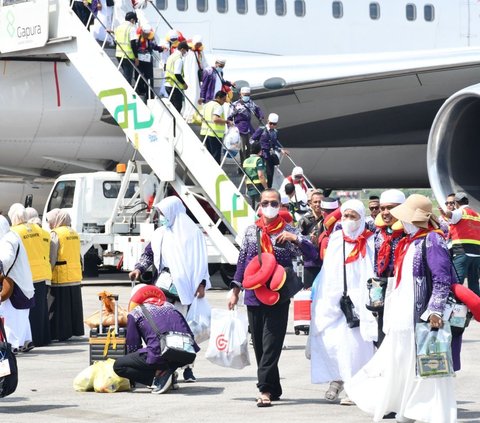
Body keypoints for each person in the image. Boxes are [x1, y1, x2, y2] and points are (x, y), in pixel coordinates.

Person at [345, 194, 457, 422]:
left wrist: (435, 310)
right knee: (402, 362)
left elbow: (442, 279)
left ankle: (428, 410)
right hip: (403, 316)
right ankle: (407, 407)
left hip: (422, 315)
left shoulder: (432, 241)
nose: (400, 221)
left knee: (427, 367)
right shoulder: (411, 242)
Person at [228, 188, 317, 407]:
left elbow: (312, 254)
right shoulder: (251, 231)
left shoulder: (288, 230)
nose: (270, 206)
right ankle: (274, 387)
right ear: (259, 205)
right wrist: (235, 289)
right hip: (254, 296)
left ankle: (265, 390)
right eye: (266, 202)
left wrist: (295, 239)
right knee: (259, 345)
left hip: (278, 296)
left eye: (274, 203)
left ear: (280, 205)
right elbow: (243, 262)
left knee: (271, 344)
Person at [129, 196, 211, 382]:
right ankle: (167, 367)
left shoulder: (192, 234)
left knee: (185, 330)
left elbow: (201, 262)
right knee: (164, 328)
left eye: (164, 213)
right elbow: (148, 254)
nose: (162, 217)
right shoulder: (160, 233)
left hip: (185, 290)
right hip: (162, 288)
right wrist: (138, 268)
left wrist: (202, 283)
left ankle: (188, 367)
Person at [310, 199, 377, 406]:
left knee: (358, 347)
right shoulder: (337, 239)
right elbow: (330, 271)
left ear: (361, 217)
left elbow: (372, 273)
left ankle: (354, 387)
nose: (348, 221)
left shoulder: (370, 240)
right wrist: (328, 300)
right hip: (337, 300)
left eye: (353, 216)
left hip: (361, 302)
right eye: (345, 216)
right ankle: (338, 380)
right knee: (336, 343)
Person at [113, 284, 199, 394]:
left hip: (160, 352)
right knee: (158, 355)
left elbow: (133, 345)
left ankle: (156, 379)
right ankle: (169, 371)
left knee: (119, 366)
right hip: (185, 353)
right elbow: (189, 334)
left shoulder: (135, 313)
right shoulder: (171, 307)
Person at [9, 204, 52, 347]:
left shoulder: (14, 232)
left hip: (26, 275)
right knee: (41, 308)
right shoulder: (40, 230)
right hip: (42, 272)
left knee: (27, 311)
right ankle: (44, 338)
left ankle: (30, 339)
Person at [372, 189, 405, 347]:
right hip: (382, 285)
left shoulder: (409, 232)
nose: (385, 212)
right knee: (381, 328)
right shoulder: (378, 233)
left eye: (390, 208)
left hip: (403, 286)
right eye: (382, 208)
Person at [47, 209, 84, 341]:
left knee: (59, 307)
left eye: (49, 221)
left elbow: (52, 256)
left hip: (61, 275)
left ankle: (58, 333)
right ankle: (74, 330)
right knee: (72, 306)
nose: (49, 224)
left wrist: (48, 272)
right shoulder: (74, 233)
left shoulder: (56, 234)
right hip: (74, 274)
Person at [0, 215, 35, 354]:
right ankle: (26, 340)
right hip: (23, 280)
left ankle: (12, 345)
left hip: (14, 282)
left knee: (10, 315)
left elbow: (6, 258)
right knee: (21, 314)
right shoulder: (13, 235)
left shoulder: (7, 240)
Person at [439, 191, 480, 296]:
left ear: (456, 203)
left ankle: (456, 309)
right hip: (476, 255)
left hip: (462, 252)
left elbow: (451, 214)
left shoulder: (461, 212)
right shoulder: (477, 215)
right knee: (474, 284)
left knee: (456, 283)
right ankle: (476, 309)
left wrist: (444, 213)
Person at [228, 86, 265, 165]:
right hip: (240, 128)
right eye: (245, 95)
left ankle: (249, 163)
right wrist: (231, 128)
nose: (246, 96)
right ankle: (243, 165)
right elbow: (229, 117)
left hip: (249, 127)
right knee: (242, 149)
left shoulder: (250, 103)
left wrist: (261, 116)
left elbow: (257, 109)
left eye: (248, 95)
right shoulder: (236, 104)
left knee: (250, 147)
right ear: (241, 94)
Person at [251, 113, 286, 188]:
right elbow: (252, 140)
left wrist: (280, 150)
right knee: (261, 173)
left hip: (269, 155)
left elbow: (275, 144)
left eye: (274, 124)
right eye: (271, 123)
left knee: (270, 175)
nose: (272, 125)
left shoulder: (275, 132)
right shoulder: (261, 129)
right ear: (267, 121)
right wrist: (256, 150)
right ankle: (262, 189)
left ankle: (268, 188)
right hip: (261, 155)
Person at [297, 191, 324, 288]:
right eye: (315, 202)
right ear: (310, 203)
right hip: (310, 263)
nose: (318, 204)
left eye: (320, 202)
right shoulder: (304, 220)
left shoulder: (329, 219)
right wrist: (309, 239)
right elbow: (297, 238)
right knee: (309, 292)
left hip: (325, 262)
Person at [200, 90, 233, 164]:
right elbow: (215, 119)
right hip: (214, 134)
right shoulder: (218, 106)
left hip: (204, 133)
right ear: (218, 97)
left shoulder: (206, 105)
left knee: (209, 156)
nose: (224, 102)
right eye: (223, 100)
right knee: (216, 156)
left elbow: (201, 118)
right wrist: (227, 121)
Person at [183, 35, 208, 122]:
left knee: (196, 94)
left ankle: (194, 113)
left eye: (199, 43)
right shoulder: (188, 52)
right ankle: (189, 114)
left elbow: (204, 63)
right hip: (189, 77)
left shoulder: (200, 52)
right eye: (197, 43)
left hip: (196, 78)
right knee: (190, 94)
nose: (198, 45)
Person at [136, 23, 162, 99]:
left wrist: (161, 49)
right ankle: (140, 90)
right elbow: (134, 46)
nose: (147, 35)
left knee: (149, 77)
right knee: (139, 75)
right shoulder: (137, 37)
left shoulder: (151, 37)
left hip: (148, 60)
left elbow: (154, 46)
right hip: (139, 60)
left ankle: (150, 94)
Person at [114, 12, 139, 86]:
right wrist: (136, 57)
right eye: (134, 21)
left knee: (125, 74)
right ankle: (128, 92)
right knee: (128, 76)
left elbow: (115, 41)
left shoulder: (118, 27)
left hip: (118, 54)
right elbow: (133, 44)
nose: (134, 23)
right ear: (132, 20)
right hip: (128, 55)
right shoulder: (131, 28)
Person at [165, 41, 190, 113]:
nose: (185, 53)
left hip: (168, 84)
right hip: (174, 85)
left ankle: (172, 122)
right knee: (178, 106)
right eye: (185, 51)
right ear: (182, 49)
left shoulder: (171, 56)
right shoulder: (178, 59)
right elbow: (177, 74)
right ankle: (175, 123)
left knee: (172, 106)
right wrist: (184, 83)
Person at [243, 141, 268, 209]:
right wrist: (266, 188)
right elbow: (261, 175)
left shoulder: (245, 160)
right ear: (260, 151)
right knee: (262, 207)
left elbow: (245, 176)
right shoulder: (258, 160)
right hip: (259, 186)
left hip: (249, 187)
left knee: (253, 207)